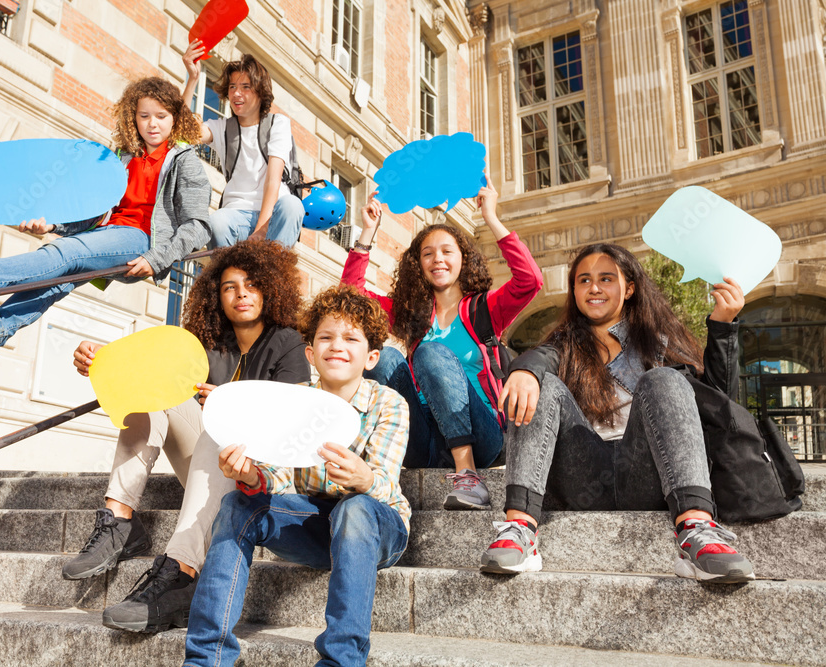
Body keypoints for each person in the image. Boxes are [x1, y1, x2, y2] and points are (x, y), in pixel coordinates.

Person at [64, 240, 311, 633]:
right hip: (209, 469)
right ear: (217, 295)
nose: (241, 294)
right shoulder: (207, 343)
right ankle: (119, 521)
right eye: (229, 287)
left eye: (250, 284)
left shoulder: (289, 341)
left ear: (269, 288)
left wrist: (232, 403)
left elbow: (294, 418)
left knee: (220, 420)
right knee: (149, 395)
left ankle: (179, 573)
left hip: (262, 479)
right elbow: (148, 367)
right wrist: (99, 359)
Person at [0, 76, 212, 376]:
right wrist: (53, 226)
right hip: (107, 236)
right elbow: (93, 216)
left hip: (143, 241)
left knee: (66, 254)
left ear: (175, 119)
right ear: (134, 117)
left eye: (161, 116)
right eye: (144, 116)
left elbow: (198, 225)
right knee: (56, 279)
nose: (152, 124)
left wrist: (158, 259)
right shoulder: (123, 159)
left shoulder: (184, 162)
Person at [481, 243, 755, 584]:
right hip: (580, 476)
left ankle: (697, 531)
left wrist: (723, 328)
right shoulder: (563, 345)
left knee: (664, 379)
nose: (594, 288)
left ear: (629, 288)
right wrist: (525, 370)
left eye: (606, 278)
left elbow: (716, 406)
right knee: (541, 383)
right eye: (584, 280)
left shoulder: (660, 344)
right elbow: (542, 357)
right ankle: (519, 529)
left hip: (649, 473)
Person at [183, 284, 410, 667]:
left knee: (355, 507)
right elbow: (278, 477)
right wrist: (251, 476)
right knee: (238, 503)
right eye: (326, 337)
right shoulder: (295, 401)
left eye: (351, 338)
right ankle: (206, 657)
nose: (337, 345)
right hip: (313, 525)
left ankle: (341, 660)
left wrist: (364, 478)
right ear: (310, 352)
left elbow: (386, 488)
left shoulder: (388, 404)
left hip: (375, 527)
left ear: (371, 357)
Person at [342, 187, 543, 510]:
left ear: (463, 258)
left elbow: (530, 280)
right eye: (428, 253)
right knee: (384, 359)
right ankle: (376, 461)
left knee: (429, 353)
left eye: (447, 251)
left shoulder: (484, 309)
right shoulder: (412, 314)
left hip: (482, 438)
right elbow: (352, 298)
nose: (438, 259)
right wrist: (368, 232)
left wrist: (490, 216)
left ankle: (468, 476)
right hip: (424, 440)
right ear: (418, 264)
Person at [181, 41, 303, 248]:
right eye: (232, 87)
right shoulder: (221, 128)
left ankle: (274, 272)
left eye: (245, 87)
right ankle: (226, 276)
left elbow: (273, 180)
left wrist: (261, 230)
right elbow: (182, 132)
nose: (237, 93)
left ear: (260, 92)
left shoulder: (277, 123)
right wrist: (192, 79)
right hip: (235, 215)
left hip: (272, 216)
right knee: (216, 222)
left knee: (293, 206)